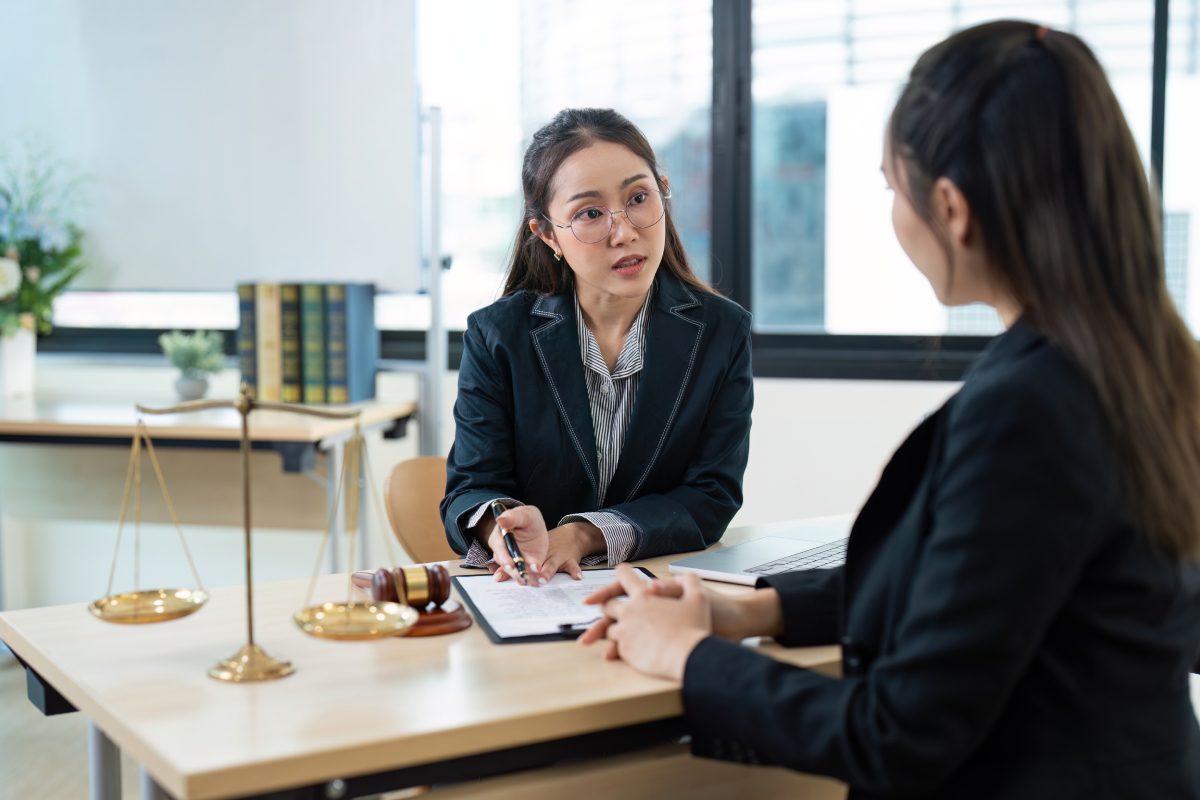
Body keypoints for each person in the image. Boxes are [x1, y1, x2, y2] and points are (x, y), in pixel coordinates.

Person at [581, 21, 1200, 798]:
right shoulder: (1143, 366)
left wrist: (687, 656)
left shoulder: (1031, 410)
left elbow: (898, 734)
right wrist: (751, 612)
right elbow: (981, 592)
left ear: (952, 207)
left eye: (890, 187)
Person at [440, 108, 753, 585]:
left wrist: (582, 536)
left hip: (654, 590)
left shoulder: (720, 332)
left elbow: (712, 496)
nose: (624, 231)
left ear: (663, 195)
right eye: (590, 213)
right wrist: (500, 528)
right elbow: (471, 486)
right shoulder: (498, 335)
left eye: (639, 198)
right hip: (531, 592)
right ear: (547, 235)